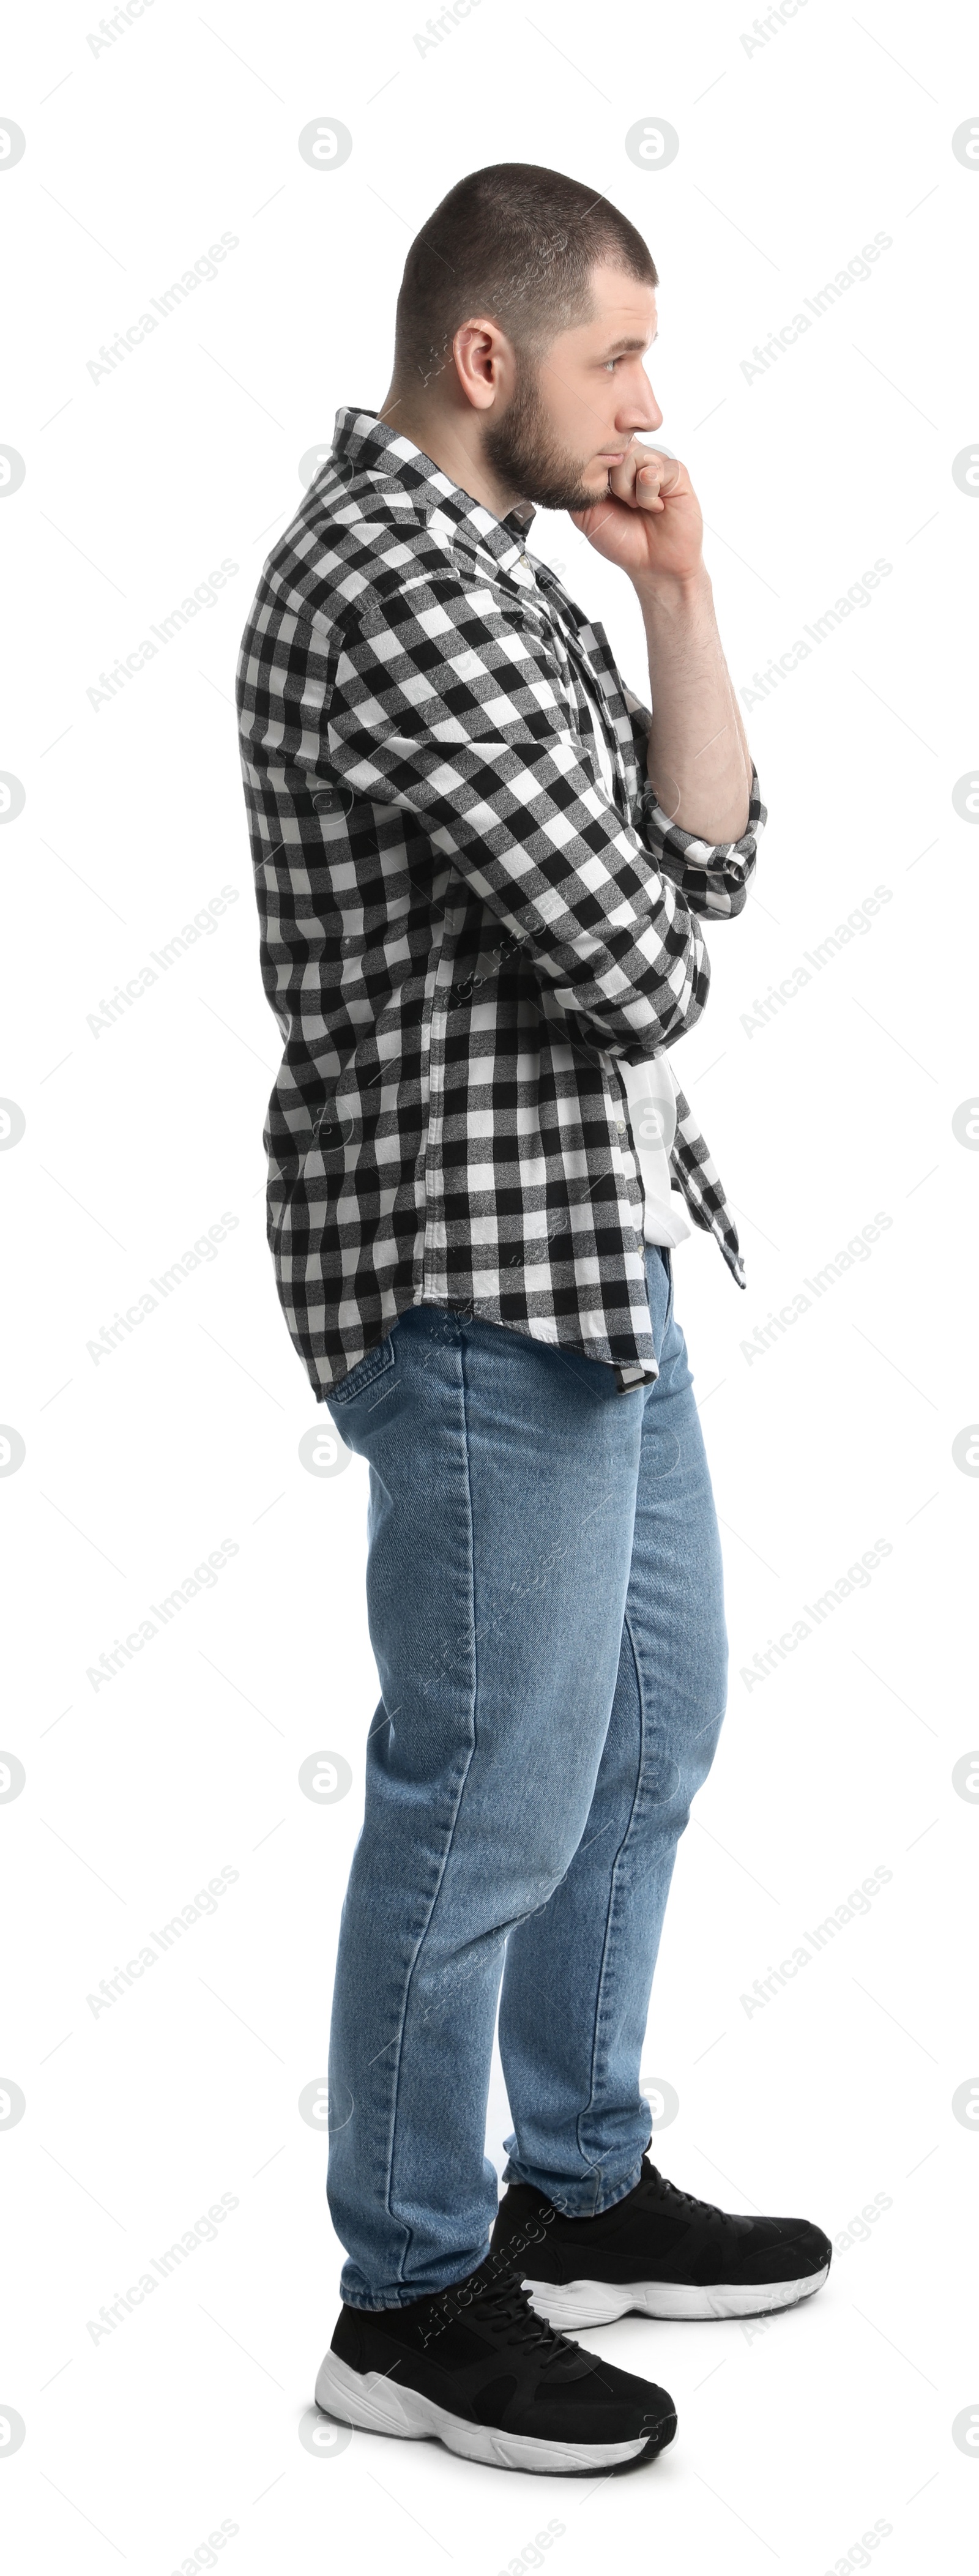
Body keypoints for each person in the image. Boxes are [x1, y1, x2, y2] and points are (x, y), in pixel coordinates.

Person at [237, 162, 830, 2480]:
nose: (650, 402)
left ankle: (572, 2183)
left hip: (598, 1248)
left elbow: (712, 851)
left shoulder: (516, 576)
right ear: (487, 360)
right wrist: (670, 862)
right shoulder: (397, 586)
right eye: (618, 358)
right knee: (483, 1795)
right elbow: (654, 955)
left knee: (648, 1733)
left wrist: (680, 596)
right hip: (475, 1284)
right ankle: (404, 2293)